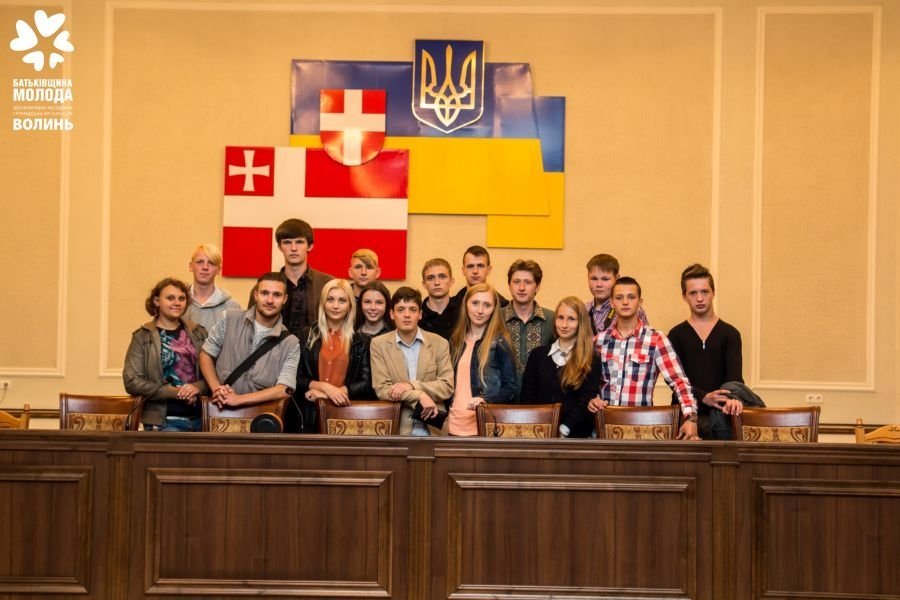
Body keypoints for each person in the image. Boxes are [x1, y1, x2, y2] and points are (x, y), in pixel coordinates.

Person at [588, 277, 699, 440]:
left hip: (641, 430)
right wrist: (591, 398)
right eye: (619, 298)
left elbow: (679, 382)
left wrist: (690, 417)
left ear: (640, 302)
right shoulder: (599, 341)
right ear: (612, 303)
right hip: (603, 430)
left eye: (631, 297)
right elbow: (585, 384)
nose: (625, 302)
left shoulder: (656, 339)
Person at [200, 272, 300, 411]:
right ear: (256, 295)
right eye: (264, 293)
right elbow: (206, 355)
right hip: (221, 408)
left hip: (261, 415)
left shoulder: (291, 343)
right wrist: (217, 389)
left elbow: (284, 389)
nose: (270, 300)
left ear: (285, 299)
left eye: (277, 295)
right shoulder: (229, 318)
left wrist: (238, 400)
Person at [668, 264, 744, 440]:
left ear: (713, 293)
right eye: (693, 293)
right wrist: (704, 397)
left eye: (705, 291)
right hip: (685, 415)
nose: (700, 298)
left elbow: (734, 380)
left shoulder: (730, 334)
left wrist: (731, 399)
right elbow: (675, 380)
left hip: (723, 416)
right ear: (684, 296)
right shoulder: (676, 335)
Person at [123, 277, 208, 431]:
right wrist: (175, 392)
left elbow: (214, 374)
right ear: (157, 301)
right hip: (163, 422)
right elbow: (132, 381)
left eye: (182, 298)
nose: (177, 303)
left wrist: (197, 388)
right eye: (170, 298)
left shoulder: (199, 333)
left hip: (200, 419)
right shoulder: (142, 336)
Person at [369, 287, 454, 435]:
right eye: (401, 309)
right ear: (392, 314)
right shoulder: (378, 344)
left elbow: (447, 386)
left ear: (420, 314)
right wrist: (419, 395)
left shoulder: (439, 343)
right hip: (398, 429)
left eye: (413, 310)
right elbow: (382, 388)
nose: (407, 315)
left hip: (434, 428)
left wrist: (412, 385)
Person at [294, 279, 373, 432]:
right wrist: (325, 387)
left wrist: (332, 394)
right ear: (323, 303)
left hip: (346, 416)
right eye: (330, 300)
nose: (335, 306)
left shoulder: (361, 342)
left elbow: (366, 383)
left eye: (342, 300)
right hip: (310, 416)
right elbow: (296, 377)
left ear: (350, 305)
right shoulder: (306, 335)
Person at [520, 297, 602, 438]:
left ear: (581, 323)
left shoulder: (591, 359)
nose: (564, 325)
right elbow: (527, 397)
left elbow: (586, 400)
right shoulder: (537, 355)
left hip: (575, 437)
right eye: (560, 318)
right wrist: (535, 428)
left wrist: (564, 428)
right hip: (539, 434)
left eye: (571, 319)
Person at [447, 284, 519, 436]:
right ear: (466, 305)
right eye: (475, 303)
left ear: (494, 309)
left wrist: (486, 401)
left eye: (487, 305)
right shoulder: (455, 341)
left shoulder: (500, 342)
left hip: (484, 426)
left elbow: (511, 388)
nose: (480, 310)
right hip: (454, 424)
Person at [249, 218, 333, 337]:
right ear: (279, 247)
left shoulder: (328, 284)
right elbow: (250, 326)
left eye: (299, 242)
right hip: (272, 348)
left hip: (316, 348)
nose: (293, 248)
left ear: (310, 246)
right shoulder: (264, 286)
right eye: (287, 242)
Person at [502, 259, 554, 380]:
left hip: (541, 390)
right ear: (509, 285)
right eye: (516, 282)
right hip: (502, 391)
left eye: (528, 282)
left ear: (537, 287)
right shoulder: (496, 317)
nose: (521, 288)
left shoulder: (552, 319)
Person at [584, 253, 648, 334]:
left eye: (605, 279)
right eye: (594, 278)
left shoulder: (631, 309)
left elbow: (645, 338)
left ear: (617, 278)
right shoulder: (583, 310)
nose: (599, 284)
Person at [184, 243, 241, 330]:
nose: (205, 267)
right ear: (191, 266)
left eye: (211, 263)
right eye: (200, 262)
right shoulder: (178, 304)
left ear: (218, 270)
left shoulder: (232, 308)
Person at [419, 258, 460, 340]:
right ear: (424, 284)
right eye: (430, 278)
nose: (437, 282)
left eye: (442, 277)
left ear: (451, 281)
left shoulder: (462, 312)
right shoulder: (417, 315)